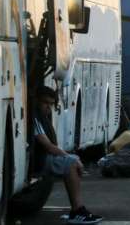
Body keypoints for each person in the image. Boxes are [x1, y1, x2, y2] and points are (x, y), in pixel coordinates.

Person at [33, 86, 103, 224]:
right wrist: (69, 157)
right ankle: (77, 210)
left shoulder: (41, 117)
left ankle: (77, 209)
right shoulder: (34, 117)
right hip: (39, 159)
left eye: (51, 104)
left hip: (43, 157)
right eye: (45, 103)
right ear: (37, 101)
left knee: (73, 159)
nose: (48, 108)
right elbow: (48, 146)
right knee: (71, 163)